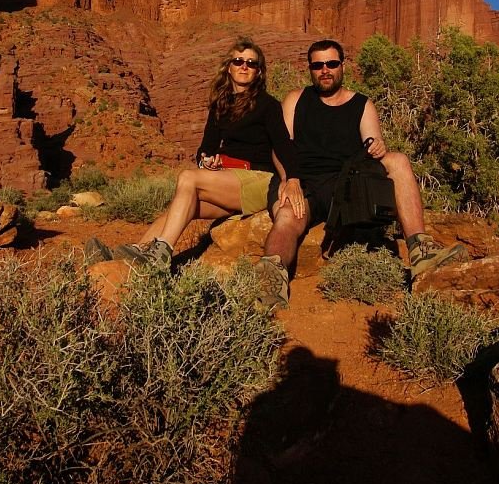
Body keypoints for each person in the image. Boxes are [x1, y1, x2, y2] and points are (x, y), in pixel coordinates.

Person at [252, 39, 468, 313]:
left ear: (342, 66)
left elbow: (372, 142)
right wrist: (288, 179)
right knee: (286, 216)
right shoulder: (295, 99)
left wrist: (378, 146)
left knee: (398, 160)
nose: (325, 70)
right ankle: (271, 280)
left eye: (331, 63)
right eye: (318, 65)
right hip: (302, 180)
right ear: (310, 69)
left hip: (345, 184)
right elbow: (280, 147)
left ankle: (420, 250)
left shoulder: (362, 104)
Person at [86, 37, 305, 269]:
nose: (244, 66)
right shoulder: (221, 104)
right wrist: (206, 160)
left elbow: (283, 144)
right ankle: (130, 257)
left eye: (251, 63)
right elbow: (206, 148)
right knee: (179, 207)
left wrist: (293, 178)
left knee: (188, 178)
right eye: (239, 61)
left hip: (257, 180)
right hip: (227, 180)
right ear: (229, 67)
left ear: (258, 71)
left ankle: (161, 253)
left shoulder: (268, 105)